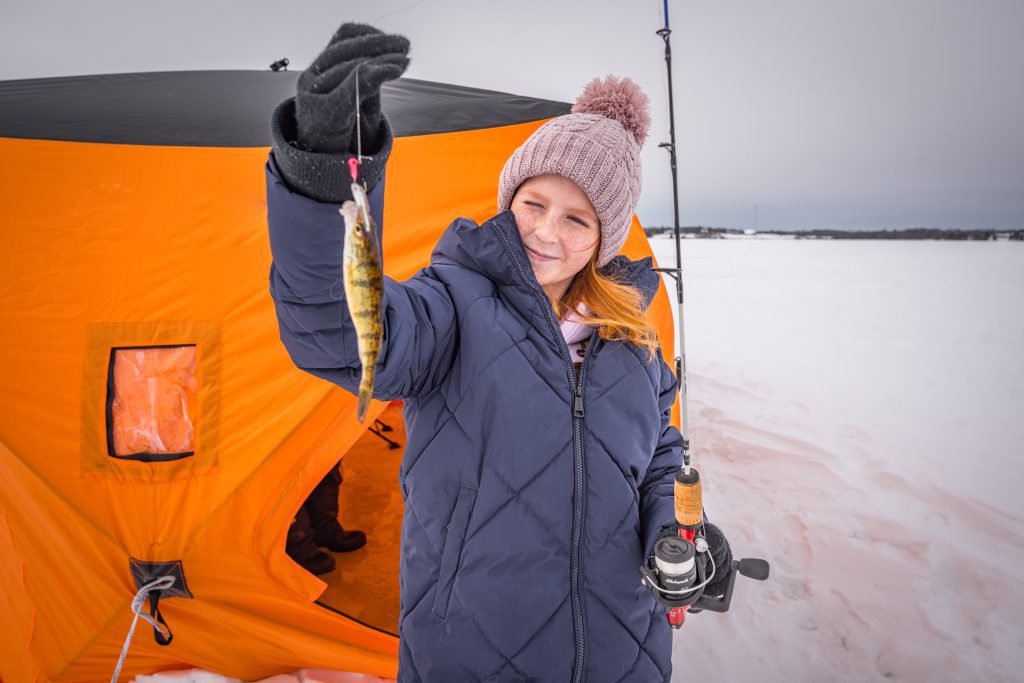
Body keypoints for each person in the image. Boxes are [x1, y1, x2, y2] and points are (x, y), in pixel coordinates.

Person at [266, 22, 733, 682]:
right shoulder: (452, 306)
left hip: (625, 654)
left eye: (577, 218)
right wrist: (323, 171)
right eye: (534, 202)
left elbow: (656, 452)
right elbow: (334, 326)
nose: (547, 230)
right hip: (471, 652)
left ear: (604, 237)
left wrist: (677, 533)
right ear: (508, 197)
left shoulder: (632, 336)